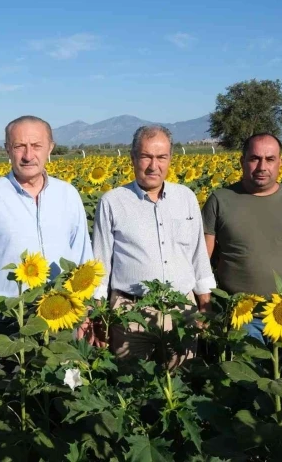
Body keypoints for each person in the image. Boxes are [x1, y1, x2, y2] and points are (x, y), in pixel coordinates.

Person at [0, 115, 93, 366]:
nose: (28, 155)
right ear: (8, 149)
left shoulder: (68, 195)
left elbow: (84, 257)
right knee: (11, 394)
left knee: (63, 391)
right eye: (19, 146)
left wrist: (85, 314)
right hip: (8, 318)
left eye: (36, 146)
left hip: (62, 315)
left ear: (50, 147)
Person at [92, 125, 215, 363]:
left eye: (161, 157)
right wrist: (98, 314)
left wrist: (205, 303)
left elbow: (198, 254)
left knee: (180, 386)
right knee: (132, 388)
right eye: (146, 156)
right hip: (131, 312)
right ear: (133, 158)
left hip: (182, 310)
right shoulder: (113, 201)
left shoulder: (186, 198)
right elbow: (101, 262)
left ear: (170, 159)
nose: (153, 165)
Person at [202, 133, 282, 342]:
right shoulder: (220, 200)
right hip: (240, 315)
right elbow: (202, 259)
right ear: (242, 161)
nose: (262, 166)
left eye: (270, 159)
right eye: (254, 158)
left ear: (280, 162)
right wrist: (205, 306)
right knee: (245, 373)